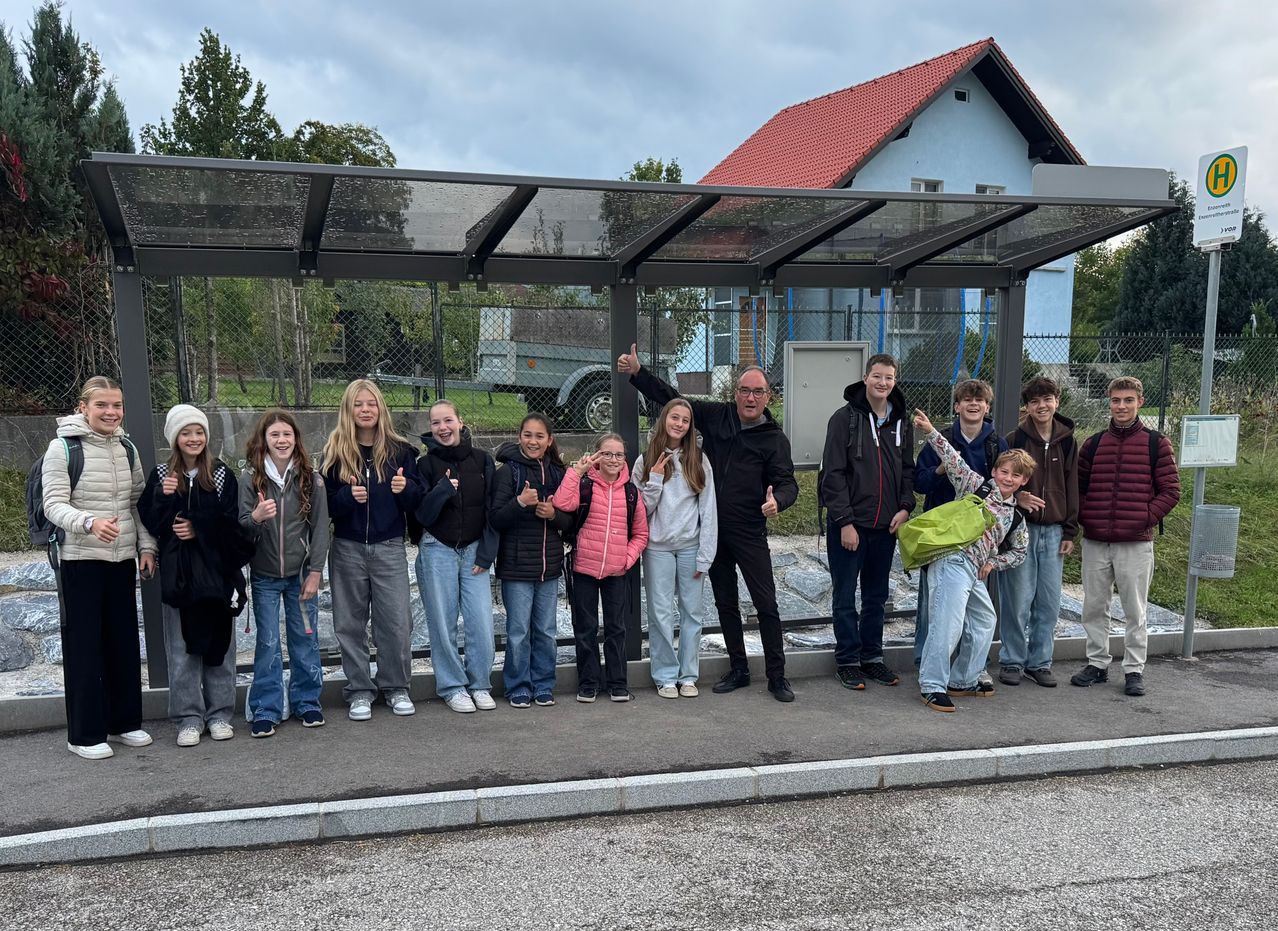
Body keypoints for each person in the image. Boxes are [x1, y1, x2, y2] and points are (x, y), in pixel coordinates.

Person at [618, 344, 799, 702]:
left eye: (758, 391)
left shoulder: (774, 439)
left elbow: (788, 482)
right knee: (726, 604)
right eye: (745, 390)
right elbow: (674, 402)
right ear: (735, 394)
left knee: (766, 604)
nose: (750, 397)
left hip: (749, 531)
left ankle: (777, 676)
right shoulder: (717, 416)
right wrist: (639, 374)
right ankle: (739, 669)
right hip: (711, 533)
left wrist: (779, 500)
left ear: (768, 397)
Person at [41, 376, 157, 760]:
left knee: (122, 643)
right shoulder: (63, 449)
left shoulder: (126, 448)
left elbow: (138, 503)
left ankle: (124, 723)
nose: (111, 412)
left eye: (116, 406)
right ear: (83, 408)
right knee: (85, 648)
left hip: (121, 559)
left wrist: (146, 546)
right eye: (102, 406)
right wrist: (89, 522)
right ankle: (85, 734)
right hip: (80, 561)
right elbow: (53, 505)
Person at [139, 404, 246, 747]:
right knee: (182, 650)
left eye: (199, 432)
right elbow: (151, 525)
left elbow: (233, 527)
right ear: (174, 438)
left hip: (215, 577)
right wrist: (162, 496)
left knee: (219, 648)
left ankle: (219, 714)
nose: (194, 438)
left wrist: (198, 529)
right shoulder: (160, 476)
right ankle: (188, 717)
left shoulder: (220, 474)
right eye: (186, 432)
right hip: (179, 578)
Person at [911, 408, 1031, 713]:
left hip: (975, 571)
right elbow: (952, 459)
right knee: (947, 624)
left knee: (984, 620)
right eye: (1004, 471)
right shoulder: (976, 485)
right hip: (952, 560)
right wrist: (929, 431)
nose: (1008, 478)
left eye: (1015, 475)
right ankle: (932, 685)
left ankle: (963, 679)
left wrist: (994, 563)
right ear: (995, 471)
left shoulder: (1016, 515)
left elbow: (1020, 552)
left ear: (1023, 481)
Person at [1071, 376, 1181, 697]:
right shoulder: (1092, 444)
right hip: (1095, 540)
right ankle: (1097, 664)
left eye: (1128, 400)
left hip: (1136, 542)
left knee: (1135, 610)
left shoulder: (1155, 443)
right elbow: (1079, 489)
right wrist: (1087, 517)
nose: (1122, 406)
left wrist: (1143, 518)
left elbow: (1171, 491)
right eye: (1116, 400)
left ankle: (1134, 669)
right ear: (1109, 402)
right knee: (1094, 605)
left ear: (1139, 402)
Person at [322, 379, 423, 721]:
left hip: (389, 547)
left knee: (395, 622)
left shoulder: (401, 451)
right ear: (348, 410)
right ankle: (360, 690)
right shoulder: (334, 451)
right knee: (349, 623)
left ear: (381, 409)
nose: (365, 410)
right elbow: (325, 507)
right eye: (358, 404)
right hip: (348, 547)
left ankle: (396, 686)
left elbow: (417, 502)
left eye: (371, 404)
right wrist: (347, 498)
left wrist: (405, 487)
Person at [818, 353, 915, 692]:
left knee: (876, 597)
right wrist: (844, 522)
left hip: (886, 527)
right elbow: (832, 474)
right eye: (877, 376)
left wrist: (905, 507)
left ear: (895, 380)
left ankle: (872, 658)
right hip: (850, 527)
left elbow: (907, 470)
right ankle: (847, 661)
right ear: (865, 377)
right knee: (845, 596)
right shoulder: (844, 419)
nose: (882, 383)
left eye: (888, 377)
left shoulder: (902, 422)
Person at [239, 409, 330, 737]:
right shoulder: (250, 479)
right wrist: (257, 516)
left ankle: (307, 701)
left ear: (296, 439)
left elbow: (320, 528)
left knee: (305, 639)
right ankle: (266, 707)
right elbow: (242, 528)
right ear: (263, 440)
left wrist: (316, 571)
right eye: (274, 435)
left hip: (301, 576)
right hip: (263, 576)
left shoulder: (311, 478)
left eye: (287, 435)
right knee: (267, 643)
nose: (281, 440)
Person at [912, 378, 1009, 667]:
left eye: (979, 400)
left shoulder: (997, 443)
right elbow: (920, 482)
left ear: (987, 406)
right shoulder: (939, 439)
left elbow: (1005, 482)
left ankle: (966, 666)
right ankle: (925, 659)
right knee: (933, 601)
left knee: (973, 602)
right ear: (957, 406)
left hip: (978, 536)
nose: (973, 404)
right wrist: (941, 470)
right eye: (967, 399)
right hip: (941, 532)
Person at [412, 400, 499, 714]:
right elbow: (421, 514)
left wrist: (488, 553)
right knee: (442, 622)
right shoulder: (425, 465)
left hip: (475, 550)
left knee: (480, 623)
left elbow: (493, 509)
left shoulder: (483, 460)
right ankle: (452, 686)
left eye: (447, 420)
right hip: (438, 548)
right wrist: (442, 490)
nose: (442, 428)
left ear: (460, 423)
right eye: (435, 423)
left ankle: (479, 684)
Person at [632, 399, 718, 699]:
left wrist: (706, 555)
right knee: (660, 614)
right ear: (664, 420)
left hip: (690, 547)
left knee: (692, 613)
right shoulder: (645, 460)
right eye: (674, 417)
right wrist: (655, 479)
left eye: (685, 420)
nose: (679, 424)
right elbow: (640, 512)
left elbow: (709, 510)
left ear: (689, 425)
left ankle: (688, 675)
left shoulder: (699, 460)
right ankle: (665, 675)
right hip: (657, 548)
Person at [997, 377, 1079, 687]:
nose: (1041, 406)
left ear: (1057, 401)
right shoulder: (1014, 437)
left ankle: (1040, 661)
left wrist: (1070, 530)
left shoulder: (1068, 441)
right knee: (1018, 599)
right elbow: (1001, 482)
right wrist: (1017, 498)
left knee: (1048, 601)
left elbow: (1073, 486)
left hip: (1055, 531)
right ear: (1027, 407)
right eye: (1034, 402)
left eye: (1047, 400)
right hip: (1020, 530)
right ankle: (1012, 661)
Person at [555, 434, 649, 703]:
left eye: (619, 455)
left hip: (616, 572)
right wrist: (576, 472)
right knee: (585, 627)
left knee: (616, 628)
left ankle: (618, 682)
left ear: (625, 460)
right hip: (584, 567)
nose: (613, 459)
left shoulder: (631, 493)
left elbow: (641, 534)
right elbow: (561, 504)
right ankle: (588, 682)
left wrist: (625, 559)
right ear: (596, 456)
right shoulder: (585, 486)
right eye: (606, 454)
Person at [489, 412, 574, 709]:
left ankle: (543, 684)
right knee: (518, 631)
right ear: (519, 437)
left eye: (539, 436)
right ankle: (517, 685)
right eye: (528, 435)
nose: (533, 441)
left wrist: (556, 516)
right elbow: (496, 518)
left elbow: (572, 519)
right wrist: (519, 503)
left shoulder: (559, 474)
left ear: (549, 440)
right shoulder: (506, 473)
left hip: (548, 567)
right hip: (515, 568)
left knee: (547, 631)